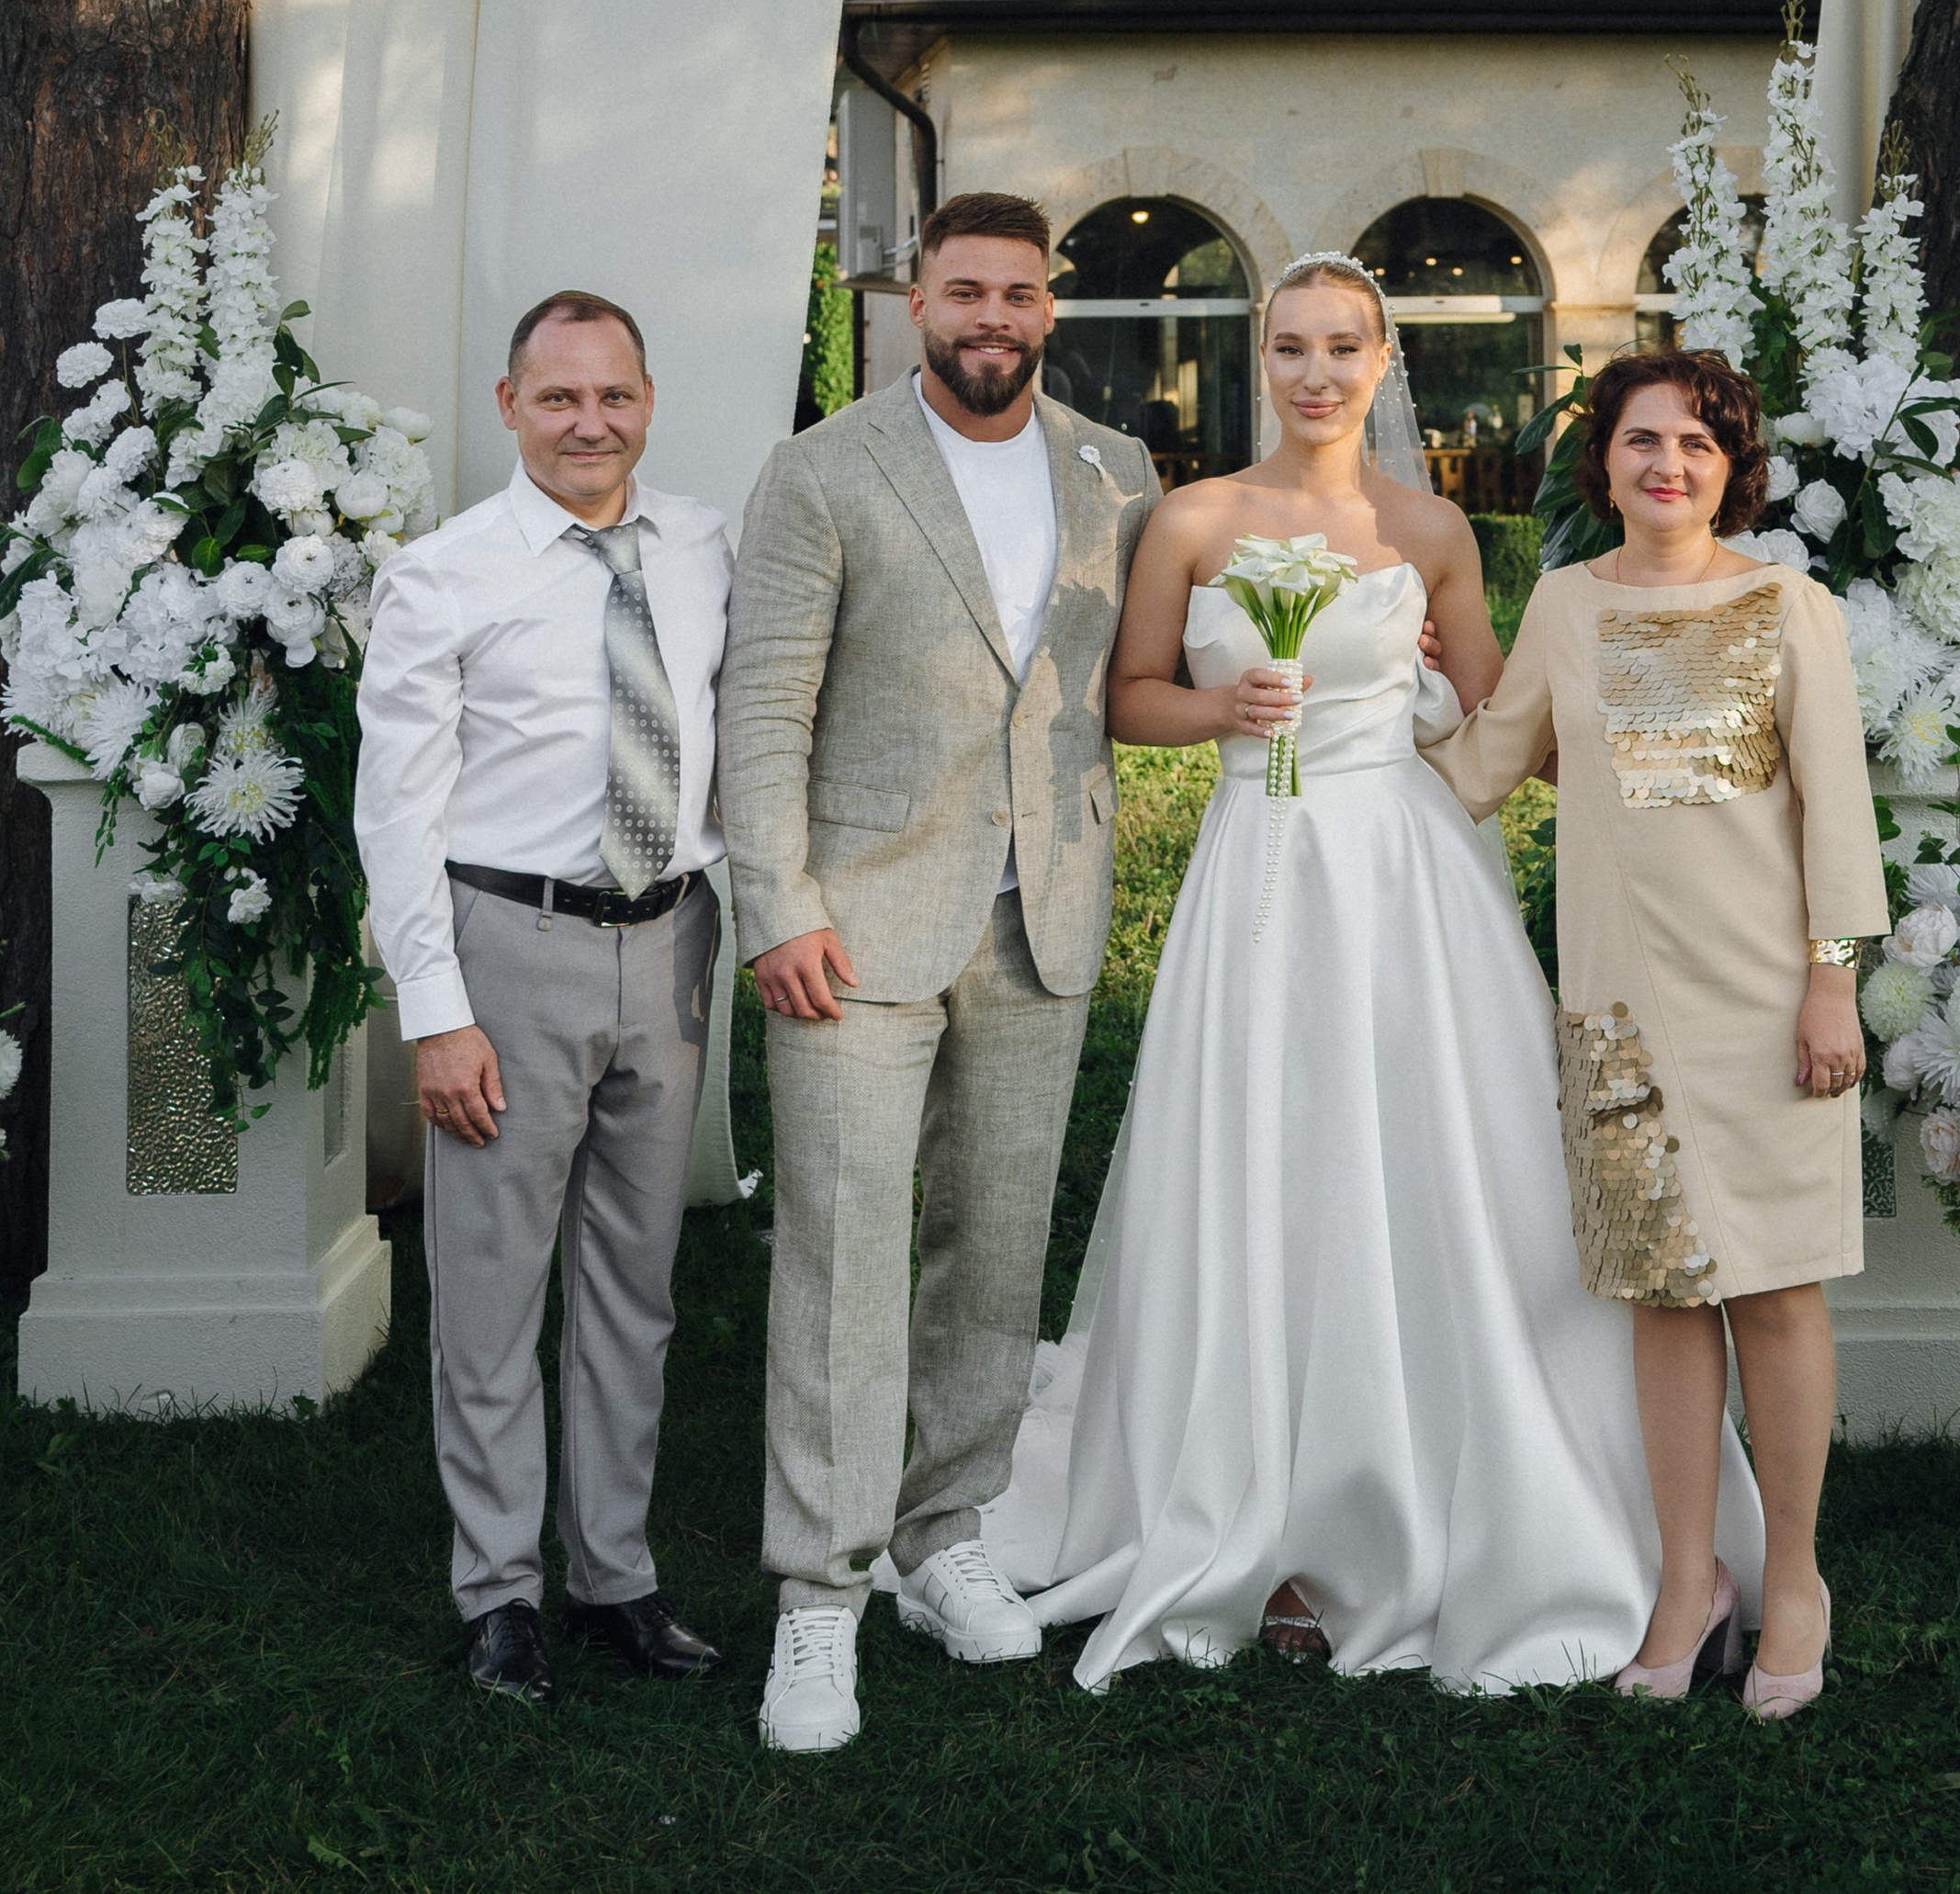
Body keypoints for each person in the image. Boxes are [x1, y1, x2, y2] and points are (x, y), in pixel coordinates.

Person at [985, 255, 1763, 1691]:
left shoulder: (1435, 528)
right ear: (1259, 359)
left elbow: (1494, 717)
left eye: (1346, 347)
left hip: (1408, 877)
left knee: (1439, 1165)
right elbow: (1130, 699)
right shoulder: (1195, 516)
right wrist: (1227, 705)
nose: (1318, 374)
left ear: (1385, 359)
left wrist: (1432, 682)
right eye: (1291, 348)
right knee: (1268, 1163)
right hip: (1258, 872)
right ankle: (1261, 1508)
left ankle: (1490, 1495)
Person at [718, 190, 1158, 1754]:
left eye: (1020, 295)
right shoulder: (823, 469)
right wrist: (775, 905)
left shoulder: (1119, 473)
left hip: (1037, 911)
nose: (994, 320)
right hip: (854, 920)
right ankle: (819, 1594)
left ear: (1053, 307)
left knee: (996, 1244)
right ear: (919, 305)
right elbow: (763, 706)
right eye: (965, 293)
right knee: (840, 1252)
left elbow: (1139, 684)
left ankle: (947, 1535)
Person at [1423, 347, 1888, 1724]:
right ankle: (1688, 1584)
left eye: (1694, 442)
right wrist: (1377, 695)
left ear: (1731, 467)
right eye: (1641, 441)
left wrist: (1833, 983)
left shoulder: (1788, 606)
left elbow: (1842, 815)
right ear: (1604, 462)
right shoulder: (1565, 605)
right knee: (1663, 1295)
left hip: (1770, 1006)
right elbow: (1481, 766)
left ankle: (1794, 1580)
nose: (1666, 464)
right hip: (1618, 1013)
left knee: (1777, 1292)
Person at [353, 291, 730, 1705]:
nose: (590, 424)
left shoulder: (700, 545)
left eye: (614, 396)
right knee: (495, 1290)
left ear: (648, 399)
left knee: (637, 1290)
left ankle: (614, 1577)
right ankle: (498, 1590)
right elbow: (395, 816)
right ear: (509, 406)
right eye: (559, 398)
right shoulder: (444, 575)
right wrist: (435, 1014)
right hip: (510, 947)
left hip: (674, 940)